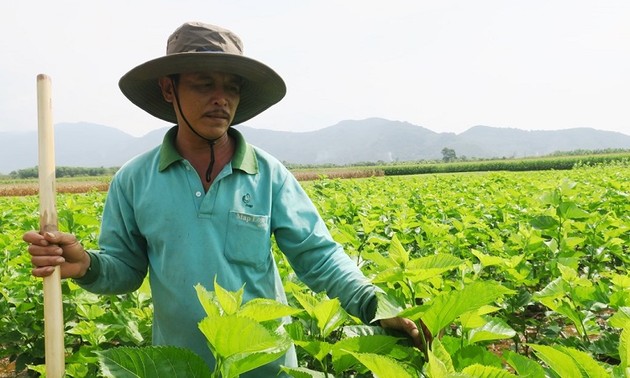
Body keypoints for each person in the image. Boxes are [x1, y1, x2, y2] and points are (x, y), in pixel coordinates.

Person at [24, 22, 430, 376]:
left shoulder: (268, 174)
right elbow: (126, 269)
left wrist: (375, 305)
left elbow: (317, 255)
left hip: (265, 367)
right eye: (204, 84)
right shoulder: (134, 180)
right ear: (169, 89)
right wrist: (86, 265)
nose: (221, 98)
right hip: (178, 368)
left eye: (231, 87)